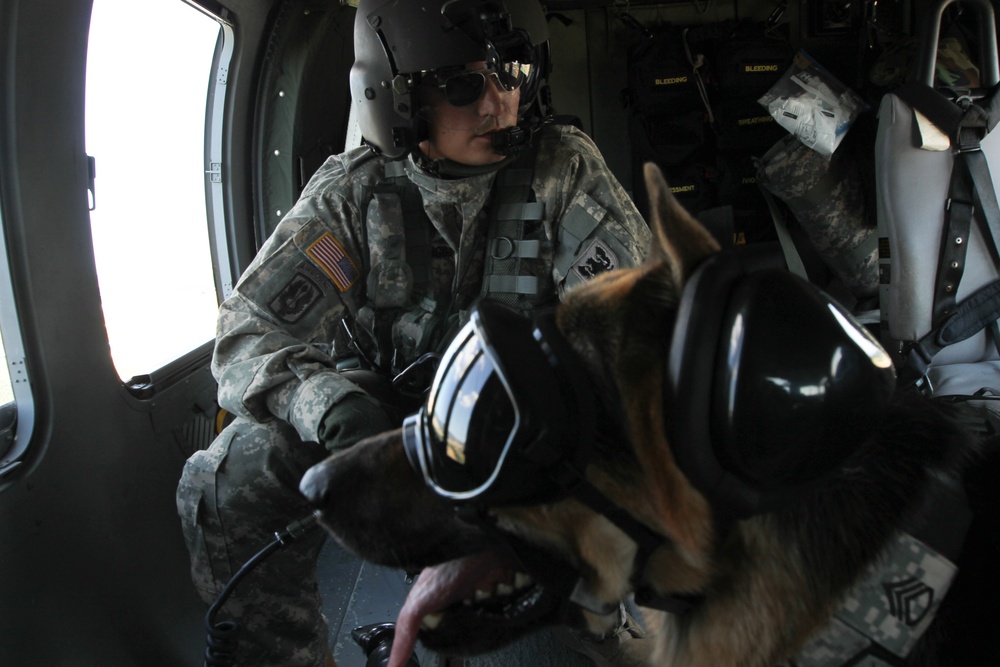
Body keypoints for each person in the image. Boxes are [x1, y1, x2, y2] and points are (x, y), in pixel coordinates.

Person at [176, 0, 653, 665]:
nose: (498, 103)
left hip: (526, 423)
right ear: (397, 96)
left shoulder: (560, 168)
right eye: (461, 84)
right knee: (224, 477)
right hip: (385, 419)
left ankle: (598, 617)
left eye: (511, 71)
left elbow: (634, 325)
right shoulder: (354, 196)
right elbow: (247, 330)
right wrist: (332, 407)